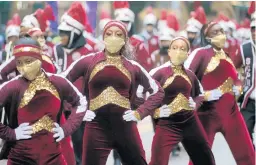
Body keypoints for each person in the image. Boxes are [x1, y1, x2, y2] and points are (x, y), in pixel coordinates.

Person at [62, 20, 164, 165]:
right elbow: (60, 85)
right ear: (103, 38)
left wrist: (139, 112)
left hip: (126, 127)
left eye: (118, 34)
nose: (113, 37)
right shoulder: (88, 61)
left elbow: (157, 92)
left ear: (125, 40)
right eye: (109, 34)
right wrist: (78, 111)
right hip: (95, 128)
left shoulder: (132, 66)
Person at [0, 37, 92, 164]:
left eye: (28, 61)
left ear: (39, 59)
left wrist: (66, 129)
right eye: (19, 63)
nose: (24, 67)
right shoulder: (13, 86)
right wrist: (11, 133)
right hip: (20, 158)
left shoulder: (57, 82)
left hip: (53, 158)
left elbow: (81, 102)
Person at [185, 22, 255, 165]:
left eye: (221, 31)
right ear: (207, 37)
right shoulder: (200, 54)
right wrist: (205, 95)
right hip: (207, 114)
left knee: (247, 156)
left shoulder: (227, 56)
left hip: (231, 114)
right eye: (215, 32)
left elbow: (237, 79)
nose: (220, 35)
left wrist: (239, 89)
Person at [149, 36, 215, 165]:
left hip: (190, 122)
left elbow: (200, 94)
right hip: (167, 124)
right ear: (169, 51)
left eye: (182, 49)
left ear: (187, 53)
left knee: (205, 157)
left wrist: (195, 104)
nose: (178, 51)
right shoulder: (158, 73)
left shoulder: (190, 75)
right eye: (175, 48)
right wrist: (155, 111)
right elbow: (141, 96)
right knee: (158, 161)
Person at [56, 3, 94, 164]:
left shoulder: (89, 51)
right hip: (60, 106)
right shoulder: (57, 50)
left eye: (65, 33)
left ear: (75, 33)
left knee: (81, 147)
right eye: (60, 33)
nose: (61, 36)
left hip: (82, 109)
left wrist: (91, 108)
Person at [232, 6, 255, 148]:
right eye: (253, 29)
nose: (255, 32)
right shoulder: (244, 48)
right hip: (249, 99)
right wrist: (237, 83)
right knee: (245, 131)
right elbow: (232, 69)